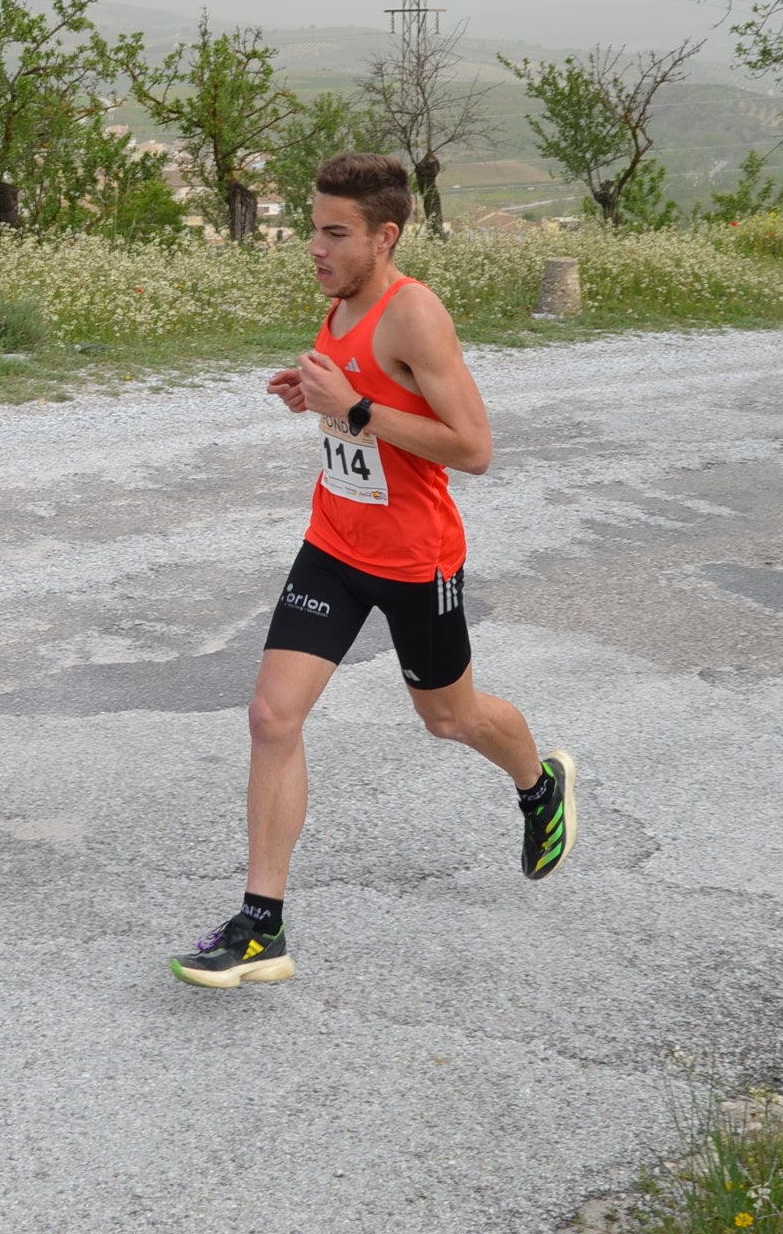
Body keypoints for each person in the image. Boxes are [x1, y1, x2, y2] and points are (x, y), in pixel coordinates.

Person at [170, 152, 575, 989]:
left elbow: (475, 448)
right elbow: (364, 409)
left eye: (333, 233)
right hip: (334, 544)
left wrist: (352, 408)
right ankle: (261, 927)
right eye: (314, 228)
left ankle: (539, 785)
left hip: (415, 559)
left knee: (451, 720)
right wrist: (317, 396)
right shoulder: (341, 300)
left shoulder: (414, 313)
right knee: (271, 718)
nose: (314, 247)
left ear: (384, 237)